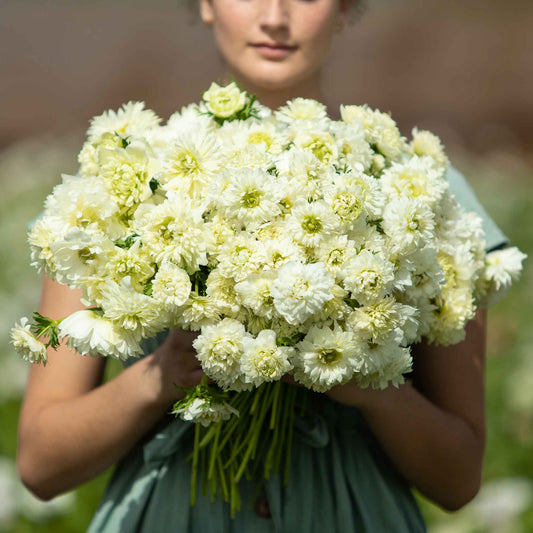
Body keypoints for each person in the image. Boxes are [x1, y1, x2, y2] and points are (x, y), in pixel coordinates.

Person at [16, 0, 510, 531]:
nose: (275, 16)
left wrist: (366, 381)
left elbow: (458, 481)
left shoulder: (424, 195)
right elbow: (42, 464)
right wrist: (164, 377)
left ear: (345, 9)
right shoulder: (118, 186)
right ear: (205, 5)